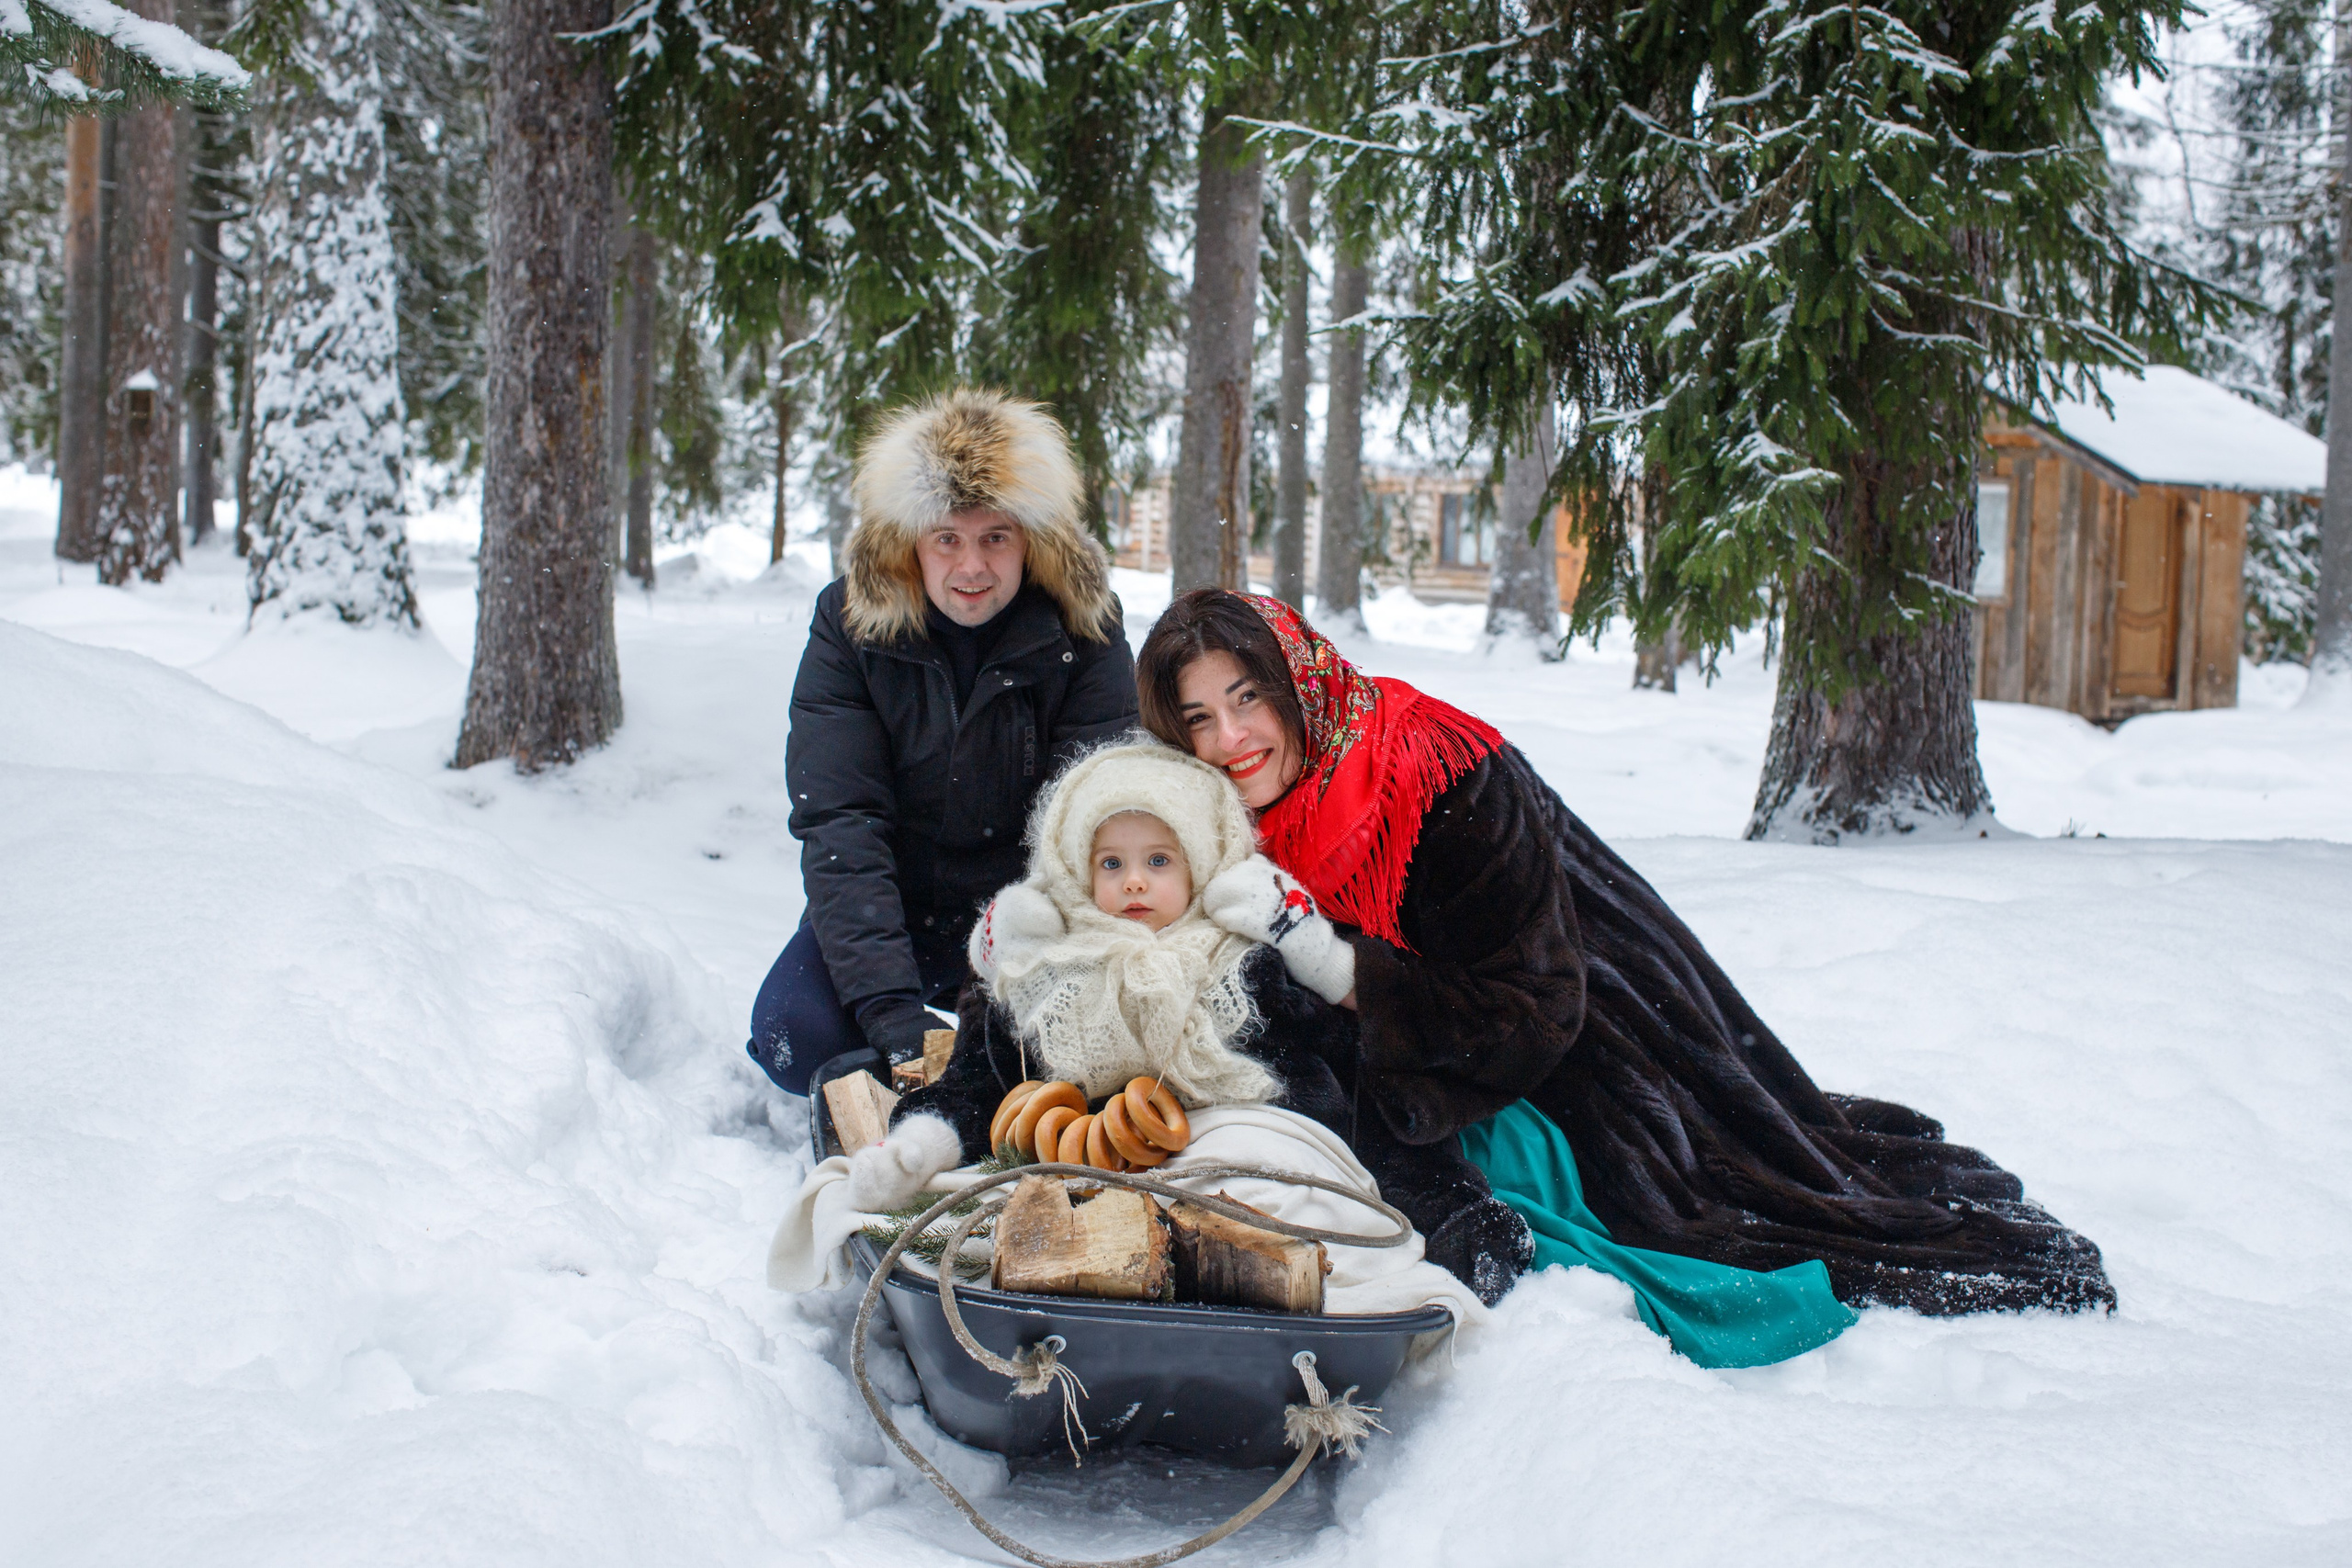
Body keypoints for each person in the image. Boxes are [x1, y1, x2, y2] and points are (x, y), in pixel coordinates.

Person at [1134, 589, 2115, 1364]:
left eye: (1246, 698)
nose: (1231, 740)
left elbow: (1532, 1006)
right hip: (1421, 1046)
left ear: (1296, 679)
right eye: (1199, 719)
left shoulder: (1447, 779)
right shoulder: (1228, 815)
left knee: (1683, 1201)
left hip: (1582, 1035)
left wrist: (1341, 972)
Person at [845, 742, 1525, 1300]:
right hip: (1103, 1183)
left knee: (1314, 1191)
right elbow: (978, 1083)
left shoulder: (1244, 967)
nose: (1134, 882)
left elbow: (1357, 1085)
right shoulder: (1046, 979)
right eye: (1111, 863)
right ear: (1077, 875)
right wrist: (921, 1147)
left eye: (1159, 861)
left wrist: (1445, 1199)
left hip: (1255, 1161)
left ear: (1202, 870)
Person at [748, 389, 1137, 1097]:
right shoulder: (850, 626)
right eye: (947, 538)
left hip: (1022, 916)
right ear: (911, 543)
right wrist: (890, 1008)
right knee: (792, 1035)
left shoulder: (1087, 631)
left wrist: (1007, 982)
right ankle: (894, 1084)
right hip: (889, 904)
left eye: (996, 536)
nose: (971, 567)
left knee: (1070, 1056)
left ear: (1034, 541)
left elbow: (1090, 824)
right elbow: (841, 821)